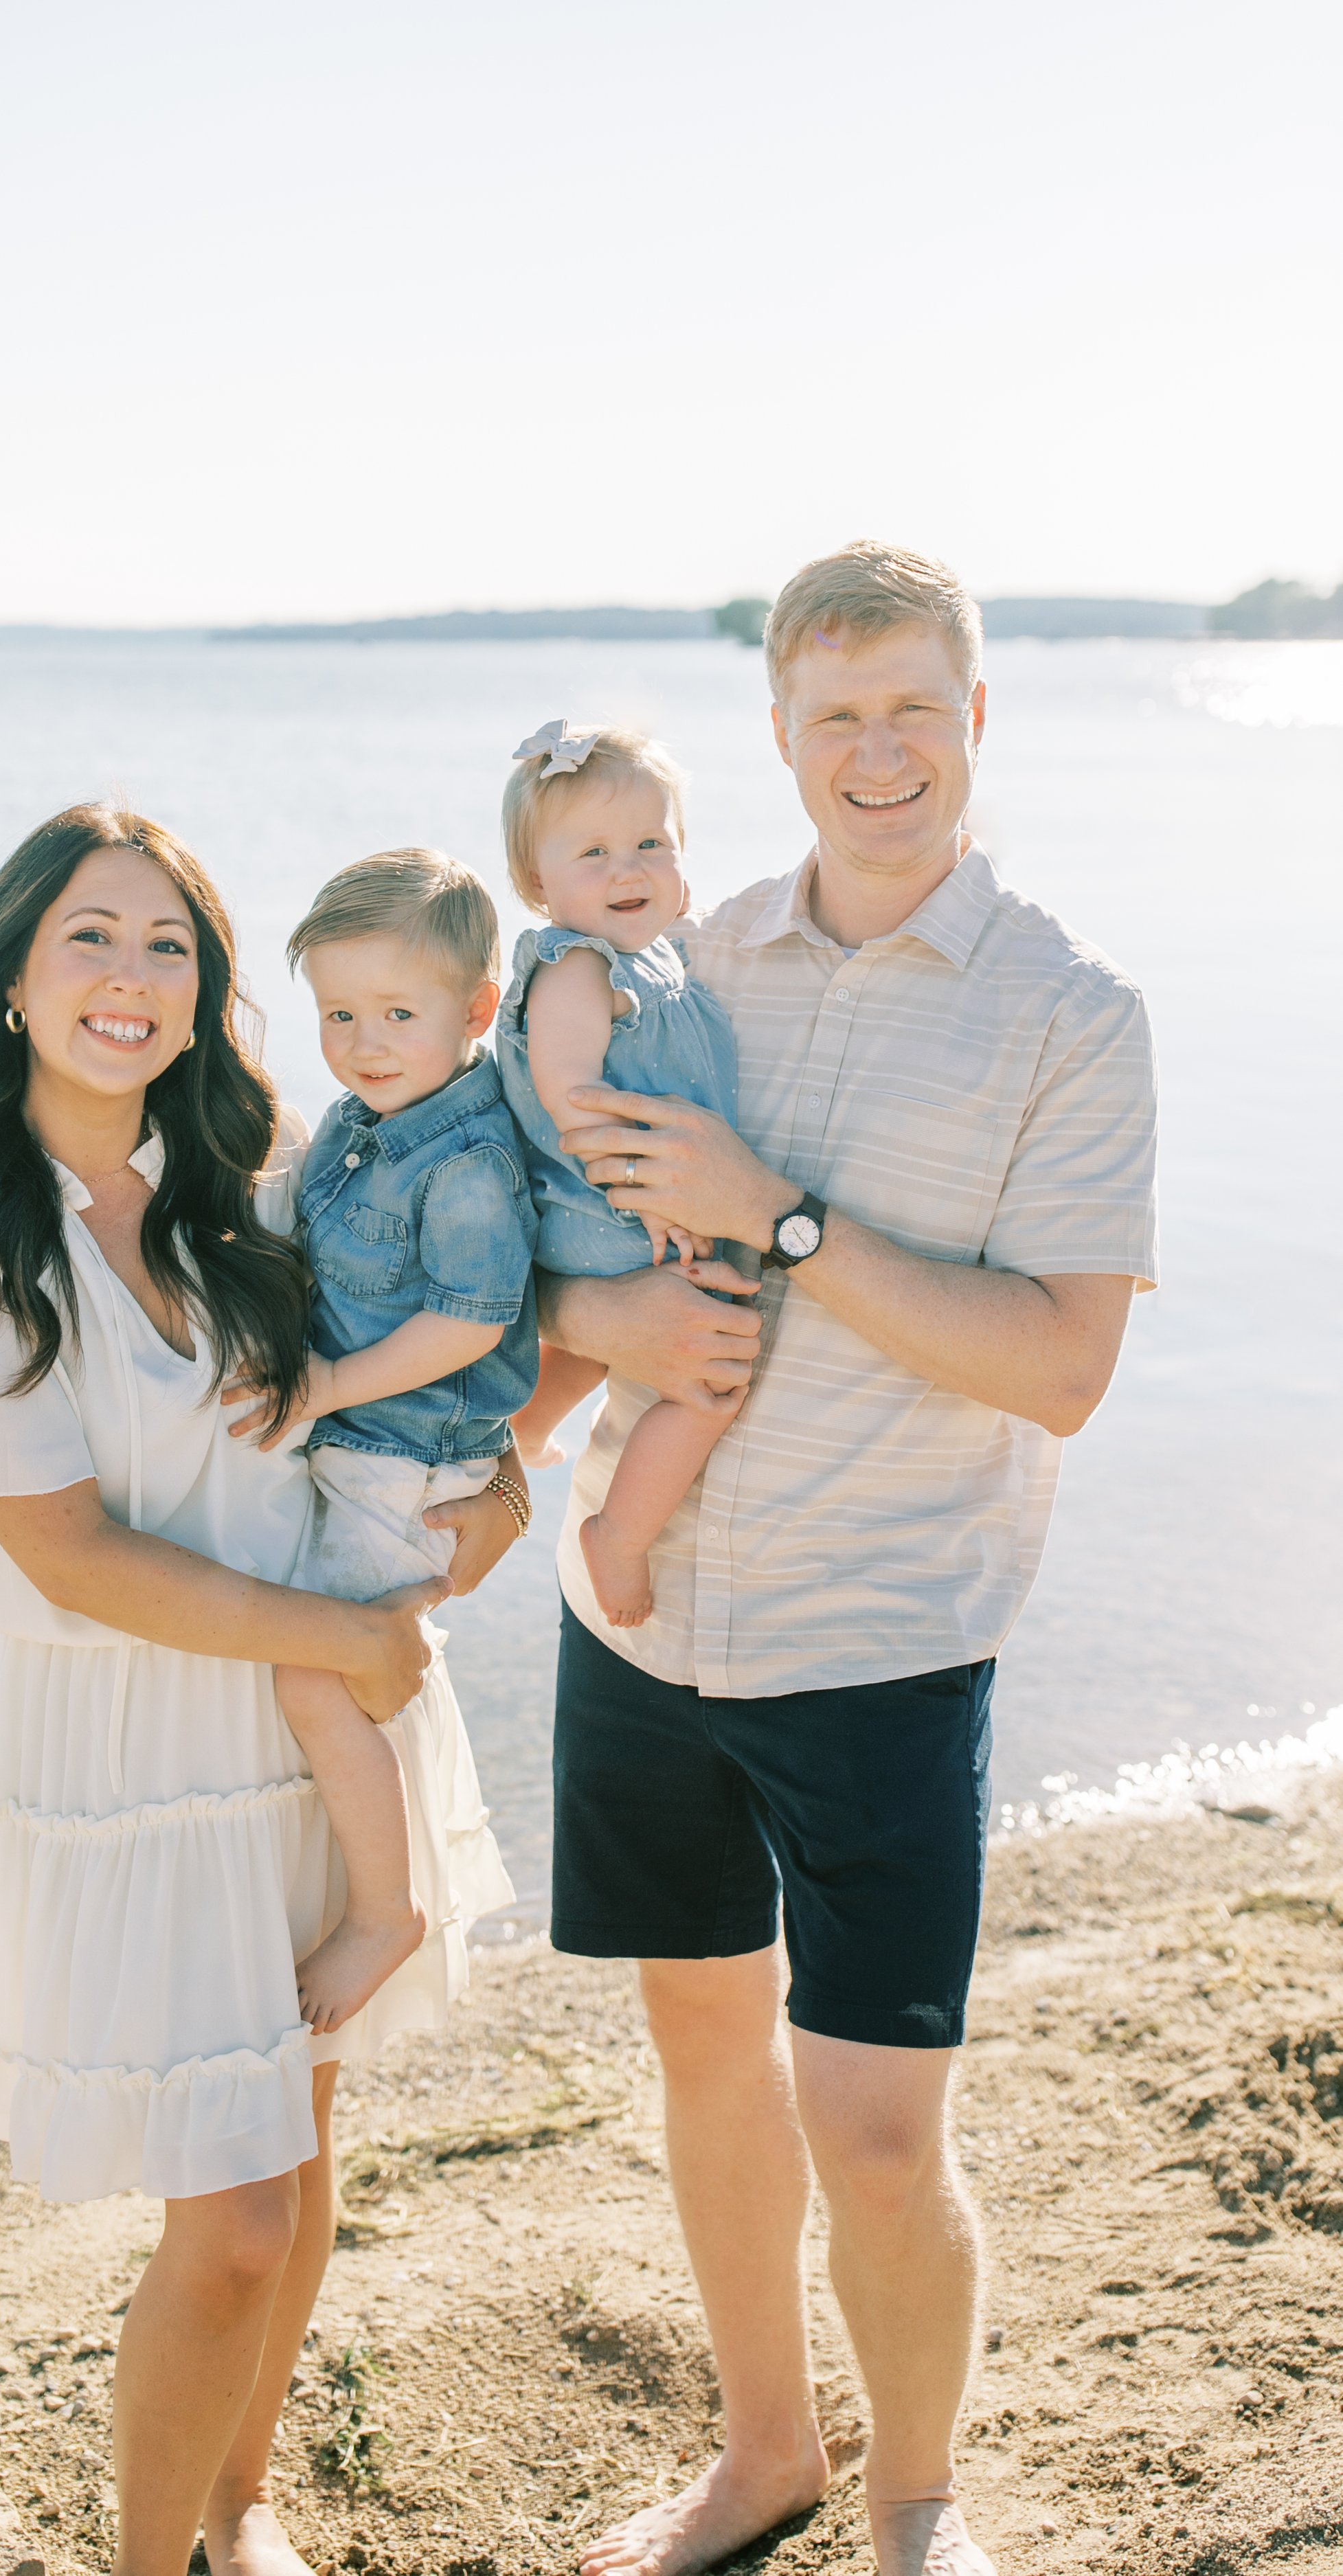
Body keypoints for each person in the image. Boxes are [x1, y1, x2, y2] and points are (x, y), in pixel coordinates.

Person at [534, 543, 1159, 2576]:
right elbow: (566, 1260)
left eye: (911, 706)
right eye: (832, 715)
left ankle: (914, 2505)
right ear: (781, 736)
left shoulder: (1070, 1012)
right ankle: (763, 2450)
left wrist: (782, 1216)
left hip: (879, 1641)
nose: (874, 750)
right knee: (708, 2076)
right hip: (637, 1623)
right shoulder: (677, 953)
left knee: (879, 2136)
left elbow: (1060, 1365)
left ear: (972, 718)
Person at [0, 804, 524, 2576]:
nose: (130, 979)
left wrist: (499, 1499)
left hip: (323, 1722)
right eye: (89, 937)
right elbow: (72, 1560)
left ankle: (241, 2503)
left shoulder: (261, 1179)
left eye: (168, 946)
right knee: (227, 2223)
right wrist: (338, 1641)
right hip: (145, 1747)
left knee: (297, 2171)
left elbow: (444, 1367)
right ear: (11, 975)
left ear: (209, 990)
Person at [224, 848, 537, 2033]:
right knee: (323, 1671)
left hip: (411, 1457)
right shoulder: (368, 1123)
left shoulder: (463, 1162)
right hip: (372, 1451)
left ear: (477, 1011)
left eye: (398, 1014)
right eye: (339, 1014)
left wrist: (326, 1385)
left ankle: (384, 1910)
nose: (363, 1041)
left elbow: (473, 1317)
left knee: (318, 1662)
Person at [495, 719, 742, 1627]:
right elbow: (575, 1099)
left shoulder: (650, 954)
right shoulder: (577, 969)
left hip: (619, 1207)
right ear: (537, 884)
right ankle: (621, 1536)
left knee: (599, 1342)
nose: (627, 871)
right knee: (712, 1372)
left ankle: (525, 1424)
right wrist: (657, 1197)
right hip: (616, 1207)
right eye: (593, 852)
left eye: (651, 845)